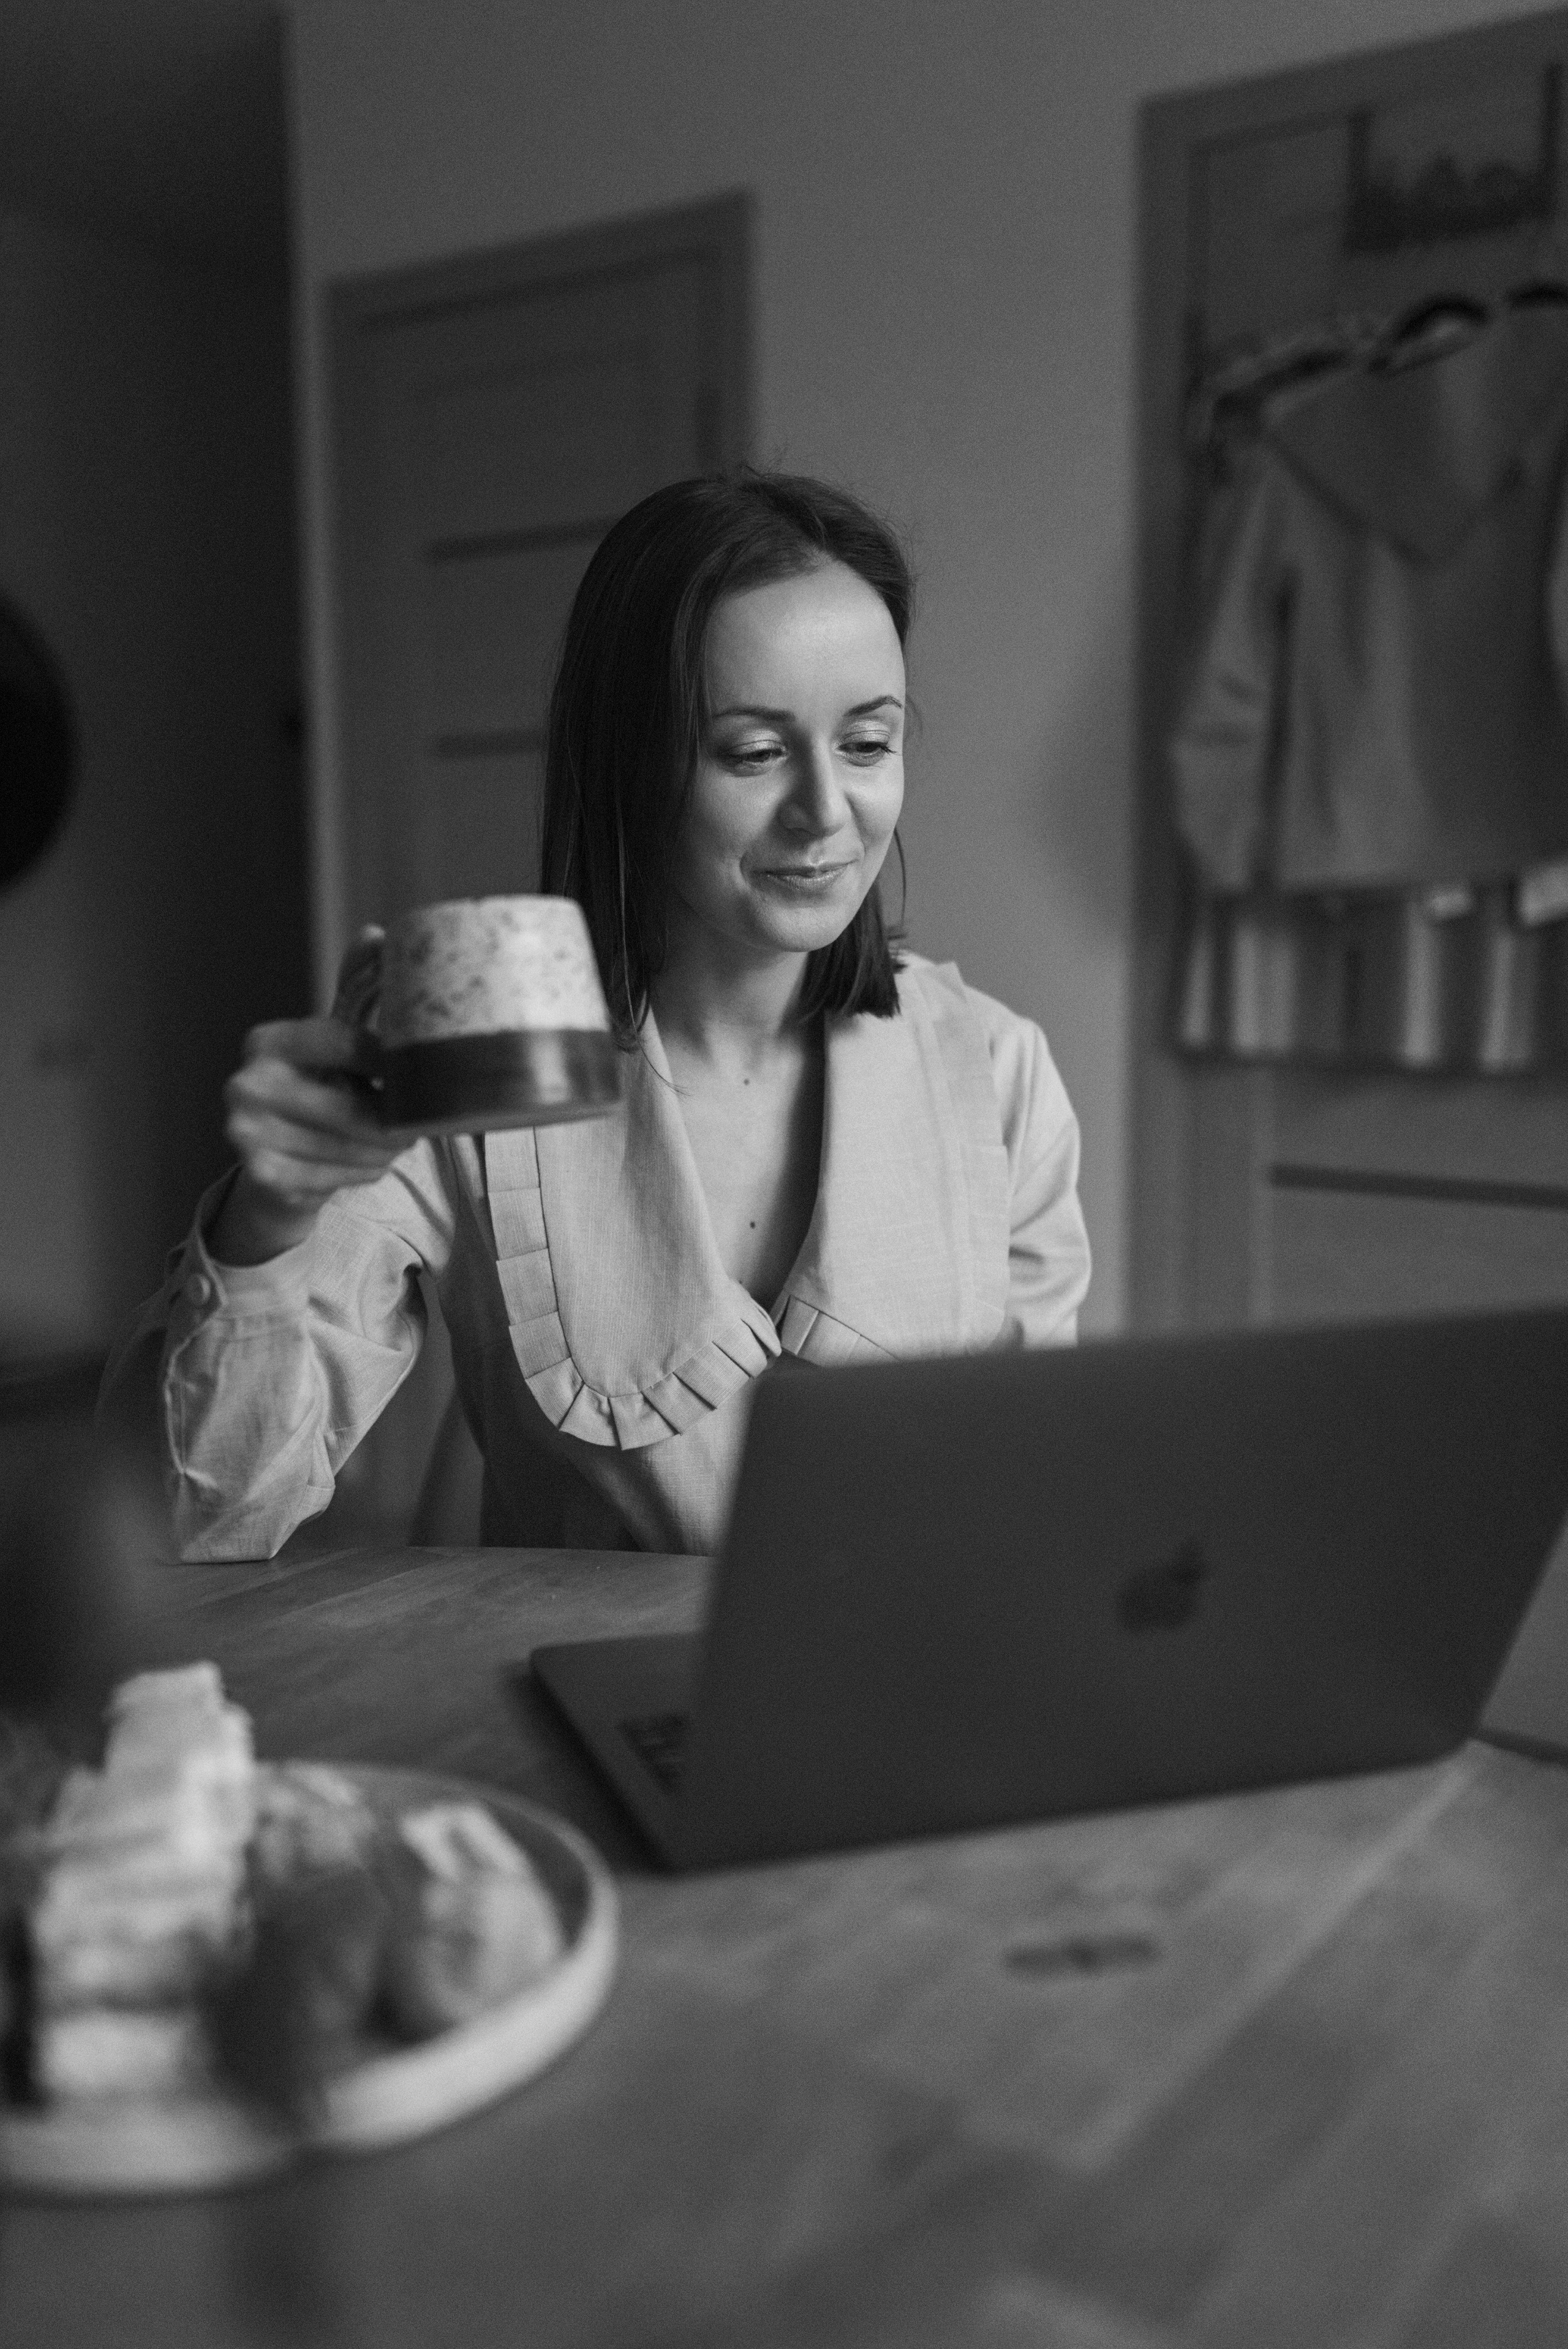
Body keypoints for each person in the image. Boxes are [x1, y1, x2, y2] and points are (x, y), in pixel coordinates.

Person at [102, 470, 1091, 1560]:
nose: (825, 811)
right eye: (753, 753)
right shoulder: (468, 1081)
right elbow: (185, 1530)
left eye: (867, 743)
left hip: (914, 1712)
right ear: (627, 765)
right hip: (582, 1711)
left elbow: (1036, 1490)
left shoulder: (996, 1073)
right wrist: (267, 1228)